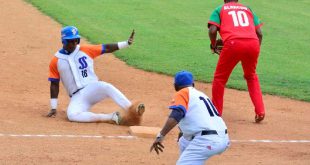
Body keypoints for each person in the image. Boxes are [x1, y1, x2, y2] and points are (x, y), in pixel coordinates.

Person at [46, 26, 145, 125]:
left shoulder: (86, 50)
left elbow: (106, 48)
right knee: (72, 115)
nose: (74, 43)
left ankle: (132, 110)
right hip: (77, 97)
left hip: (92, 88)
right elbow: (54, 84)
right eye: (71, 41)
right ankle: (111, 117)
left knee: (106, 86)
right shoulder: (56, 60)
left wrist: (126, 43)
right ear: (63, 41)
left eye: (76, 40)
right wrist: (53, 108)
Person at [150, 71, 230, 165]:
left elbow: (177, 113)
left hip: (206, 140)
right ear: (193, 84)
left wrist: (161, 135)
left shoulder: (182, 93)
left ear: (175, 86)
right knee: (183, 141)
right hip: (224, 139)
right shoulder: (200, 95)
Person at [208, 0, 265, 123]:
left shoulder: (220, 9)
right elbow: (259, 33)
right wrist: (254, 49)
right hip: (253, 44)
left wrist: (213, 45)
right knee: (251, 76)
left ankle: (216, 114)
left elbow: (212, 30)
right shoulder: (247, 9)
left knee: (220, 79)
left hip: (233, 44)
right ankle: (260, 112)